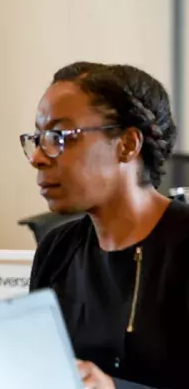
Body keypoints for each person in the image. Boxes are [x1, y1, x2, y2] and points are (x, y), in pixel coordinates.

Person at [21, 61, 188, 389]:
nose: (39, 156)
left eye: (59, 136)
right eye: (38, 138)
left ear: (127, 145)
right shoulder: (56, 251)